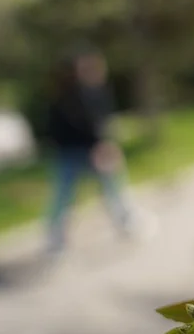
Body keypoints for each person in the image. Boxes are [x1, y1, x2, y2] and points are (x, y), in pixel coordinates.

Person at [44, 45, 148, 255]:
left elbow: (103, 122)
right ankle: (55, 236)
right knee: (64, 195)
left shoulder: (98, 91)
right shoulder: (68, 94)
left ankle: (126, 223)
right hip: (72, 151)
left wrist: (107, 142)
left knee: (114, 188)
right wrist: (99, 144)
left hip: (95, 149)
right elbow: (71, 125)